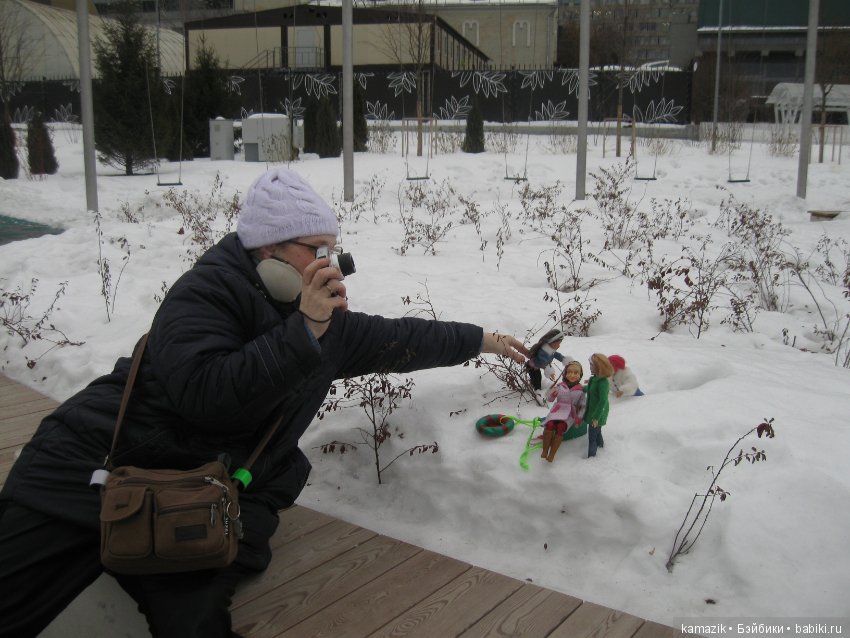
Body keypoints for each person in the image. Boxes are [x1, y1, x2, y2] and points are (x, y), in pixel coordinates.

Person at [0, 168, 529, 638]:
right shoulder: (205, 294)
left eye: (332, 248)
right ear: (267, 251)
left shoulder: (320, 322)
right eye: (314, 249)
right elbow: (206, 397)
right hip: (92, 463)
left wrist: (484, 340)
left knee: (195, 613)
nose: (330, 264)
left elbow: (402, 338)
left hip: (194, 491)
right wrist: (304, 330)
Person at [540, 361, 586, 463]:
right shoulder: (560, 386)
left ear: (580, 375)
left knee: (561, 427)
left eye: (576, 373)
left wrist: (579, 418)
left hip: (569, 413)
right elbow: (549, 399)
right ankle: (545, 450)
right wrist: (552, 394)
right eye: (569, 372)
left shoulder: (581, 390)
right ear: (565, 373)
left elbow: (583, 406)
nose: (572, 375)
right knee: (550, 425)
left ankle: (552, 454)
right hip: (557, 410)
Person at [583, 353, 614, 458]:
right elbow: (590, 389)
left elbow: (603, 401)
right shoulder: (594, 379)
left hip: (598, 414)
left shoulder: (603, 383)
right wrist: (581, 388)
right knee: (597, 432)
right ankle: (601, 445)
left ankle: (591, 457)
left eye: (592, 365)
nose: (590, 367)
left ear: (599, 367)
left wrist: (596, 418)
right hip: (593, 411)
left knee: (592, 437)